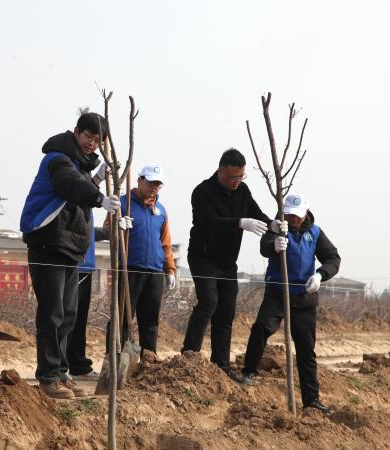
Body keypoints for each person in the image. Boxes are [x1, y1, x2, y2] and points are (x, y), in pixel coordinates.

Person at [20, 112, 120, 399]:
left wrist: (98, 178)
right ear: (76, 132)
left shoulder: (80, 164)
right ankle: (48, 376)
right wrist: (100, 199)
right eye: (89, 136)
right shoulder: (58, 159)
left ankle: (61, 373)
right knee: (52, 314)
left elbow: (82, 183)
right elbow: (71, 185)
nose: (92, 144)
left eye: (98, 140)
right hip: (48, 243)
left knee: (68, 314)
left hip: (70, 248)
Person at [236, 193, 340, 414]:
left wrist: (320, 275)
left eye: (297, 216)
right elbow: (264, 246)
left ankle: (311, 400)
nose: (293, 219)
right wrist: (274, 244)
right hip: (277, 293)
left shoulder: (315, 233)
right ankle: (249, 372)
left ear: (306, 213)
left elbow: (333, 258)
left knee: (306, 349)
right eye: (290, 215)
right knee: (261, 327)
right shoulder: (276, 227)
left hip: (304, 297)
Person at [181, 149, 281, 373]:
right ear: (220, 171)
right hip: (203, 257)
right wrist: (239, 223)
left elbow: (256, 213)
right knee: (208, 302)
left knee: (226, 311)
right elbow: (209, 221)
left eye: (241, 177)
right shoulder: (203, 191)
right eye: (232, 177)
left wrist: (272, 225)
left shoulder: (242, 190)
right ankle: (189, 355)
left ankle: (221, 365)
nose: (237, 182)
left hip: (227, 262)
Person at [105, 163, 177, 356]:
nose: (154, 187)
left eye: (158, 184)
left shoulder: (160, 210)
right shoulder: (122, 204)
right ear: (139, 180)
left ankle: (149, 359)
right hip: (129, 269)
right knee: (121, 318)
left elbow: (165, 242)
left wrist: (169, 269)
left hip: (155, 272)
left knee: (150, 320)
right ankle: (115, 358)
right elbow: (107, 231)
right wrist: (117, 226)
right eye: (151, 182)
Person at [67, 161, 109, 381]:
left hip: (87, 264)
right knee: (68, 317)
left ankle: (78, 364)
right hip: (73, 263)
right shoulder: (70, 195)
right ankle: (62, 365)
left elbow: (89, 229)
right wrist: (98, 180)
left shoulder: (87, 204)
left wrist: (110, 231)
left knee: (80, 318)